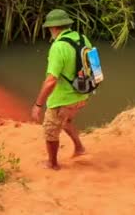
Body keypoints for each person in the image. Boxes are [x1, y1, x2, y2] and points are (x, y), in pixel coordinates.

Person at [31, 9, 91, 170]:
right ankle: (79, 148)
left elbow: (51, 81)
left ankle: (52, 163)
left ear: (54, 27)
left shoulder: (58, 47)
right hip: (83, 93)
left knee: (50, 130)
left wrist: (38, 105)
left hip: (62, 99)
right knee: (66, 121)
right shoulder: (81, 38)